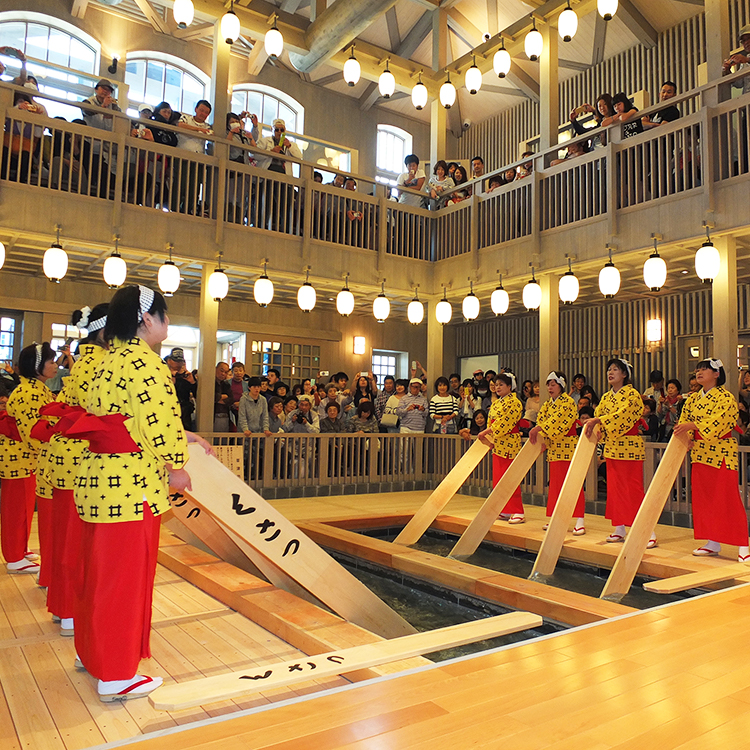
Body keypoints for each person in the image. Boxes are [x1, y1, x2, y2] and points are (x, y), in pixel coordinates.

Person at [72, 284, 210, 702]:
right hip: (130, 487)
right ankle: (115, 673)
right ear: (148, 319)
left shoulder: (104, 360)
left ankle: (94, 653)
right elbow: (156, 424)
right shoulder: (146, 365)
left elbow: (124, 419)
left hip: (98, 478)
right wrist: (176, 465)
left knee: (98, 575)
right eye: (166, 316)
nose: (168, 324)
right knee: (124, 580)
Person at [37, 304, 108, 636]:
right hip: (80, 457)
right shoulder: (100, 363)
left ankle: (64, 606)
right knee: (75, 541)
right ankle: (68, 610)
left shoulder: (85, 360)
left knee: (68, 536)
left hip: (69, 454)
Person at [675, 358, 750, 562]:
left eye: (704, 370)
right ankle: (712, 541)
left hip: (721, 453)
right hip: (700, 454)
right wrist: (688, 438)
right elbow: (683, 422)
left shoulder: (726, 397)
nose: (699, 373)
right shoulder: (692, 399)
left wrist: (693, 427)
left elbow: (719, 422)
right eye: (697, 369)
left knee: (727, 498)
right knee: (704, 499)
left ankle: (743, 543)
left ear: (716, 374)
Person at [584, 358, 656, 547]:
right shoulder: (606, 397)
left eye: (615, 369)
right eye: (609, 369)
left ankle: (648, 530)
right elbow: (599, 417)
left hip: (630, 446)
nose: (611, 372)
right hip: (612, 448)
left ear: (625, 374)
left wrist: (598, 421)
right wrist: (596, 428)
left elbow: (621, 416)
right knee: (615, 489)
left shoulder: (632, 395)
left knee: (633, 489)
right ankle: (619, 527)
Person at [6, 343, 57, 584]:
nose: (55, 366)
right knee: (17, 509)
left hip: (26, 458)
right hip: (20, 458)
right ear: (37, 366)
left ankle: (20, 550)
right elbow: (32, 432)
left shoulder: (36, 389)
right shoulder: (29, 392)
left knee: (24, 507)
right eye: (51, 362)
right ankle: (14, 556)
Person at [529, 372, 585, 535]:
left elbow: (557, 422)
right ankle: (556, 518)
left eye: (553, 384)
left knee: (572, 483)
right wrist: (541, 432)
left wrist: (540, 428)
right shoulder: (547, 404)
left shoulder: (568, 402)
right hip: (554, 448)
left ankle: (579, 519)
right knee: (555, 484)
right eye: (548, 384)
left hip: (568, 446)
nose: (550, 387)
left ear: (561, 385)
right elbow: (542, 420)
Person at [477, 372, 525, 523]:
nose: (497, 387)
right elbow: (492, 421)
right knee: (499, 478)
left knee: (510, 478)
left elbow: (505, 423)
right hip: (498, 442)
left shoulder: (515, 402)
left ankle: (517, 511)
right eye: (496, 385)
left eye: (501, 385)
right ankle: (504, 509)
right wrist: (489, 437)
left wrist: (486, 431)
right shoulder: (497, 402)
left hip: (510, 441)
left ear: (509, 387)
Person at [255, 118, 302, 232]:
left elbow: (299, 157)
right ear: (272, 129)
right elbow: (255, 154)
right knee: (265, 202)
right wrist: (271, 152)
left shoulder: (290, 144)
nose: (279, 132)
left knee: (285, 205)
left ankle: (285, 228)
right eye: (277, 130)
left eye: (282, 130)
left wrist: (289, 146)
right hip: (267, 175)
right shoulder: (265, 141)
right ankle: (261, 226)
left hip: (284, 177)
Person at [80, 78, 121, 197]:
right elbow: (87, 112)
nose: (105, 92)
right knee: (93, 170)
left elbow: (121, 119)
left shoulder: (113, 106)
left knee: (106, 174)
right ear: (96, 89)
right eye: (103, 89)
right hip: (88, 143)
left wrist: (114, 109)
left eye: (108, 90)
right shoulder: (88, 102)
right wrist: (103, 106)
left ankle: (102, 196)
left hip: (104, 147)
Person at [177, 99, 213, 215]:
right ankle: (176, 206)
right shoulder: (186, 119)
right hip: (182, 156)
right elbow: (180, 126)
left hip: (198, 159)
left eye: (206, 112)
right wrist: (199, 130)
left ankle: (189, 209)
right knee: (180, 183)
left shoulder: (208, 126)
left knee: (195, 186)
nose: (203, 114)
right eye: (201, 110)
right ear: (196, 109)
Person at [225, 111, 257, 225]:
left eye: (236, 122)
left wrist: (251, 136)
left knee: (242, 196)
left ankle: (240, 218)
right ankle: (229, 217)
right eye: (232, 122)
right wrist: (231, 133)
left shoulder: (243, 135)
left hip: (244, 167)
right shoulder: (227, 134)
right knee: (230, 194)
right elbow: (225, 146)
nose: (235, 124)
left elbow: (254, 150)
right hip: (232, 167)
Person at [164, 348, 197, 430]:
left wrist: (192, 382)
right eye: (176, 361)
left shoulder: (187, 376)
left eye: (180, 362)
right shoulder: (164, 374)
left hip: (184, 413)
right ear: (169, 361)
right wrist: (172, 378)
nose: (178, 364)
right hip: (167, 411)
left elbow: (198, 396)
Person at [228, 361, 249, 427]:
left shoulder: (247, 385)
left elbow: (249, 398)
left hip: (243, 411)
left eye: (240, 371)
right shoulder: (227, 383)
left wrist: (240, 403)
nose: (238, 373)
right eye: (236, 371)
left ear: (244, 372)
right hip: (229, 410)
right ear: (232, 372)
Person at [214, 362, 231, 431]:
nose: (223, 374)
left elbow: (231, 399)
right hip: (212, 415)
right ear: (215, 369)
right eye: (221, 370)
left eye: (226, 372)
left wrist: (218, 399)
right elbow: (211, 397)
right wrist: (221, 397)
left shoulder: (226, 384)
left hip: (225, 415)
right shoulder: (209, 382)